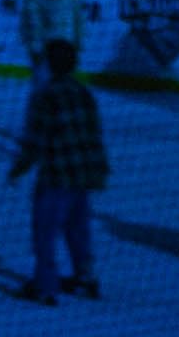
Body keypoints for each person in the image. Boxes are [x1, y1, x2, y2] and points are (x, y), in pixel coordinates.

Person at [7, 37, 113, 304]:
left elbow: (35, 141)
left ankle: (45, 286)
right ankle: (85, 276)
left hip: (57, 175)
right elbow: (94, 133)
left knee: (45, 231)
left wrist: (19, 168)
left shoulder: (45, 96)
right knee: (78, 228)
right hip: (83, 174)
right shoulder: (83, 92)